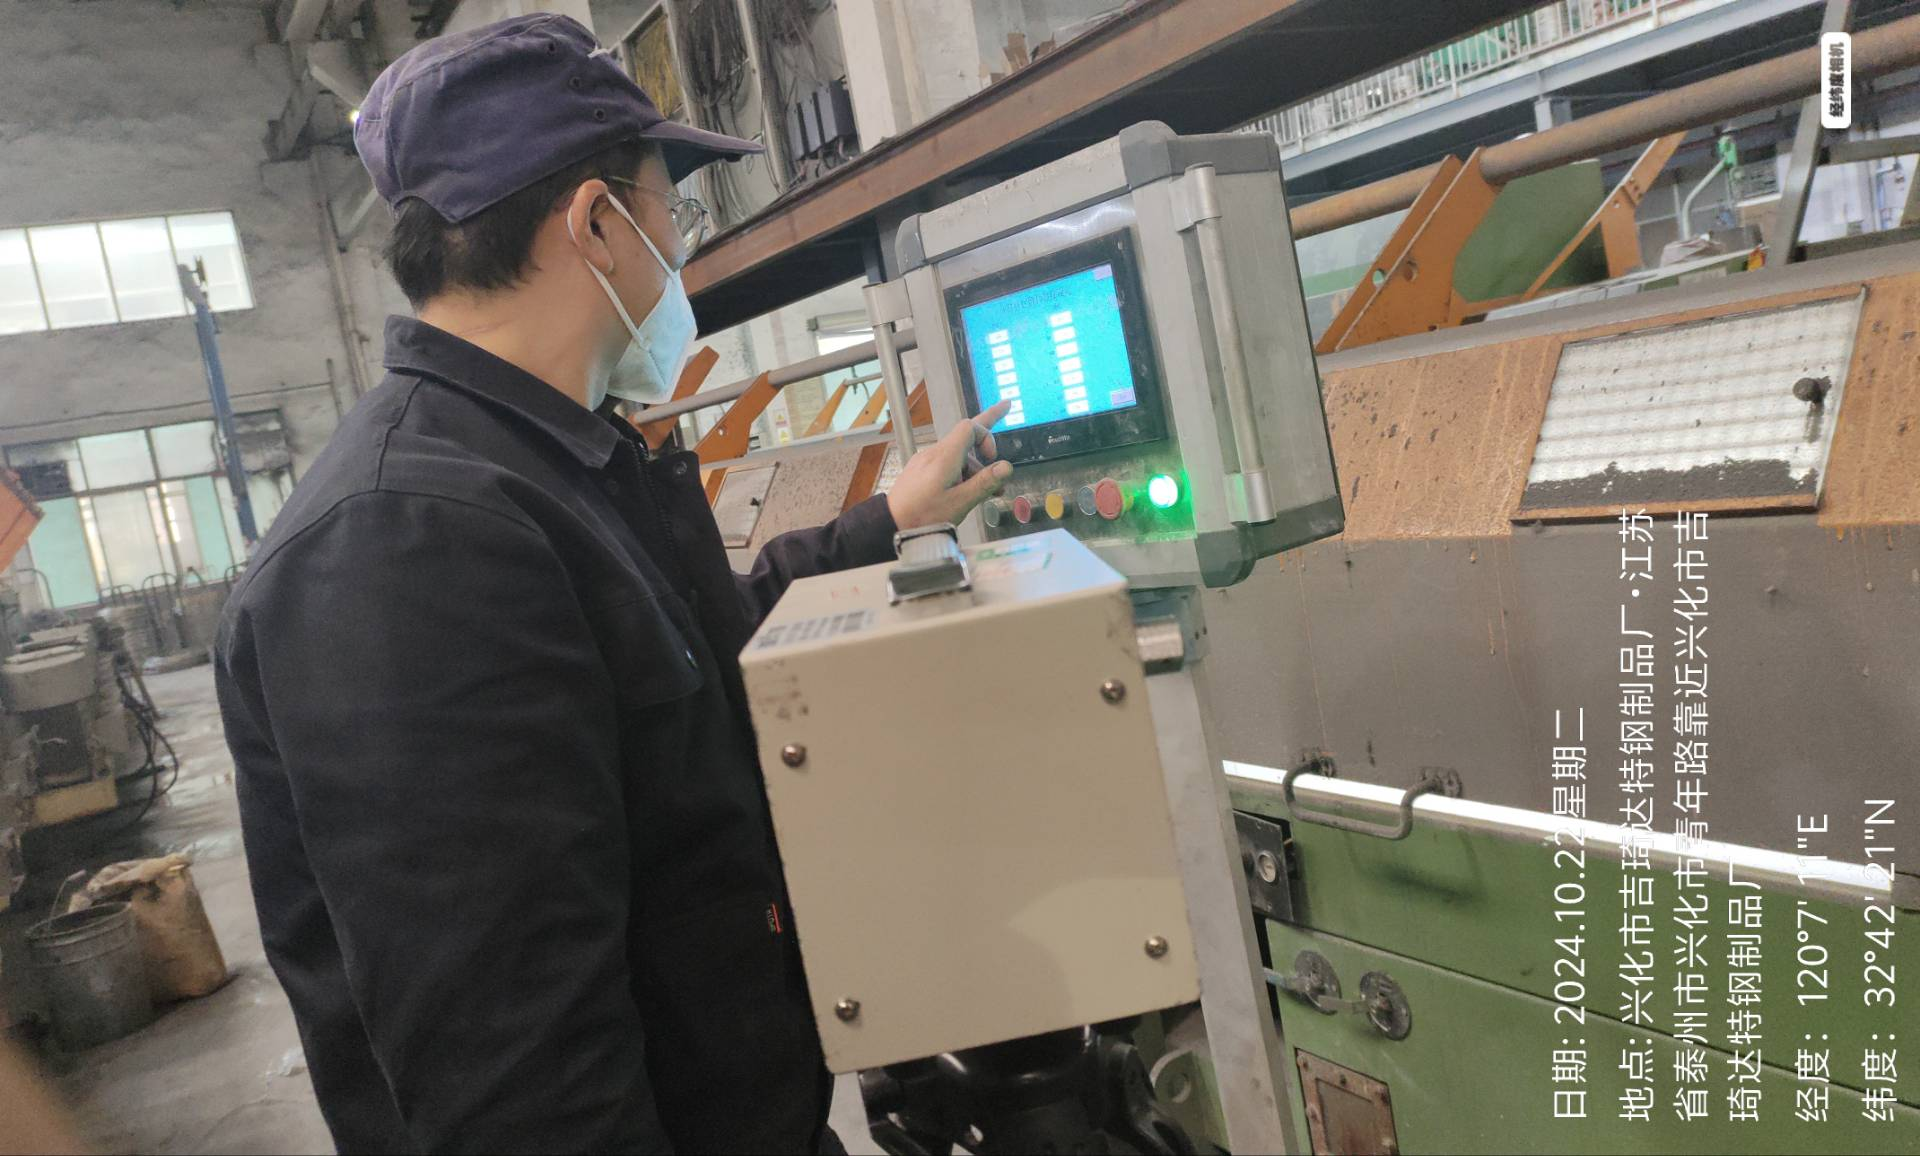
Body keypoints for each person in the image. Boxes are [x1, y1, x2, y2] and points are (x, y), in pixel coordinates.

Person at [214, 14, 1012, 1154]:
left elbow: (687, 647)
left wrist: (888, 520)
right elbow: (520, 1076)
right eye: (669, 211)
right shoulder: (409, 542)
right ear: (597, 223)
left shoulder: (547, 465)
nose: (678, 248)